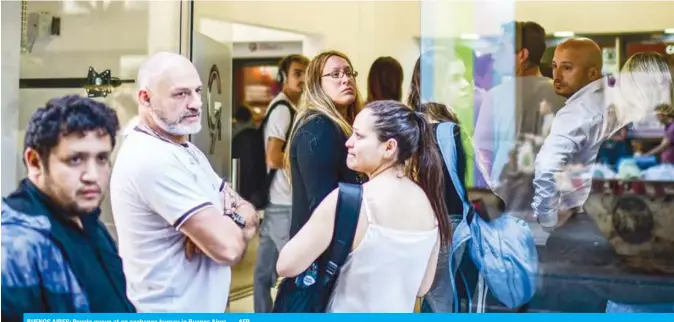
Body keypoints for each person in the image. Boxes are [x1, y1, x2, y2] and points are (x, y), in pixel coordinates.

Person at [110, 52, 259, 312]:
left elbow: (249, 213)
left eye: (198, 91)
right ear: (145, 98)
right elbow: (229, 248)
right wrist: (223, 225)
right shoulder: (151, 158)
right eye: (181, 94)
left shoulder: (186, 149)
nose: (196, 103)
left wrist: (225, 222)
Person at [276, 100, 450, 312]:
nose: (348, 143)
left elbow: (286, 265)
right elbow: (422, 287)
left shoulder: (350, 201)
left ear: (389, 147)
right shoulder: (430, 206)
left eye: (359, 136)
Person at [1, 95, 136, 319]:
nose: (92, 175)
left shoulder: (89, 221)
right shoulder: (15, 246)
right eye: (75, 160)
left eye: (102, 159)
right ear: (34, 162)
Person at [475, 21, 566, 218]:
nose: (496, 53)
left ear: (522, 55)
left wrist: (489, 192)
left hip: (506, 198)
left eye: (502, 47)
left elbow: (484, 155)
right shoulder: (562, 96)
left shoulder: (495, 97)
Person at [284, 50, 364, 238]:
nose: (346, 79)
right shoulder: (319, 128)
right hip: (321, 253)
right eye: (335, 74)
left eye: (349, 72)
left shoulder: (342, 125)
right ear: (316, 84)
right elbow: (324, 208)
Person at [254, 54, 309, 313]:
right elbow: (274, 157)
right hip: (283, 203)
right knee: (293, 270)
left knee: (263, 274)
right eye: (298, 73)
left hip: (278, 203)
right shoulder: (284, 110)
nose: (303, 79)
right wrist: (303, 161)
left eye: (306, 73)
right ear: (284, 78)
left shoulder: (290, 108)